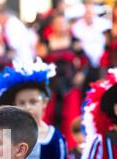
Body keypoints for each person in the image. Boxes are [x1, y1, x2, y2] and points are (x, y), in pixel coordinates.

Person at [38, 13, 89, 149]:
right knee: (48, 117)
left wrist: (81, 74)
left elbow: (84, 61)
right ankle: (48, 147)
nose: (61, 26)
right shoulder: (45, 42)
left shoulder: (74, 41)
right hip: (51, 86)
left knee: (71, 118)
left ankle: (72, 149)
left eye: (63, 23)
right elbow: (39, 63)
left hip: (70, 85)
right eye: (58, 23)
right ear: (52, 26)